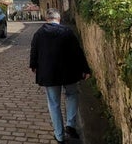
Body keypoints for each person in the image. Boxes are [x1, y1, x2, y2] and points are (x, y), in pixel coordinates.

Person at [29, 8, 91, 143]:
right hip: (69, 71)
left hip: (49, 73)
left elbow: (34, 51)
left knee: (54, 103)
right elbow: (78, 52)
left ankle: (59, 135)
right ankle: (70, 124)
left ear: (47, 19)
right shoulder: (67, 31)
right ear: (59, 19)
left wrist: (33, 66)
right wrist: (85, 69)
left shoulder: (39, 33)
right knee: (72, 94)